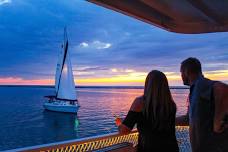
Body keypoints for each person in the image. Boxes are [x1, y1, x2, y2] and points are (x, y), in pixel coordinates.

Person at [115, 70, 179, 152]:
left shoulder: (140, 102)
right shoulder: (170, 104)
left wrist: (120, 123)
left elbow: (124, 131)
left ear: (147, 84)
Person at [176, 57, 228, 152]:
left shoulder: (201, 84)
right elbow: (188, 119)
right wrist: (165, 120)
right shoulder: (195, 90)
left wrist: (218, 121)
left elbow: (223, 89)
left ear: (187, 72)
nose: (181, 76)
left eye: (181, 72)